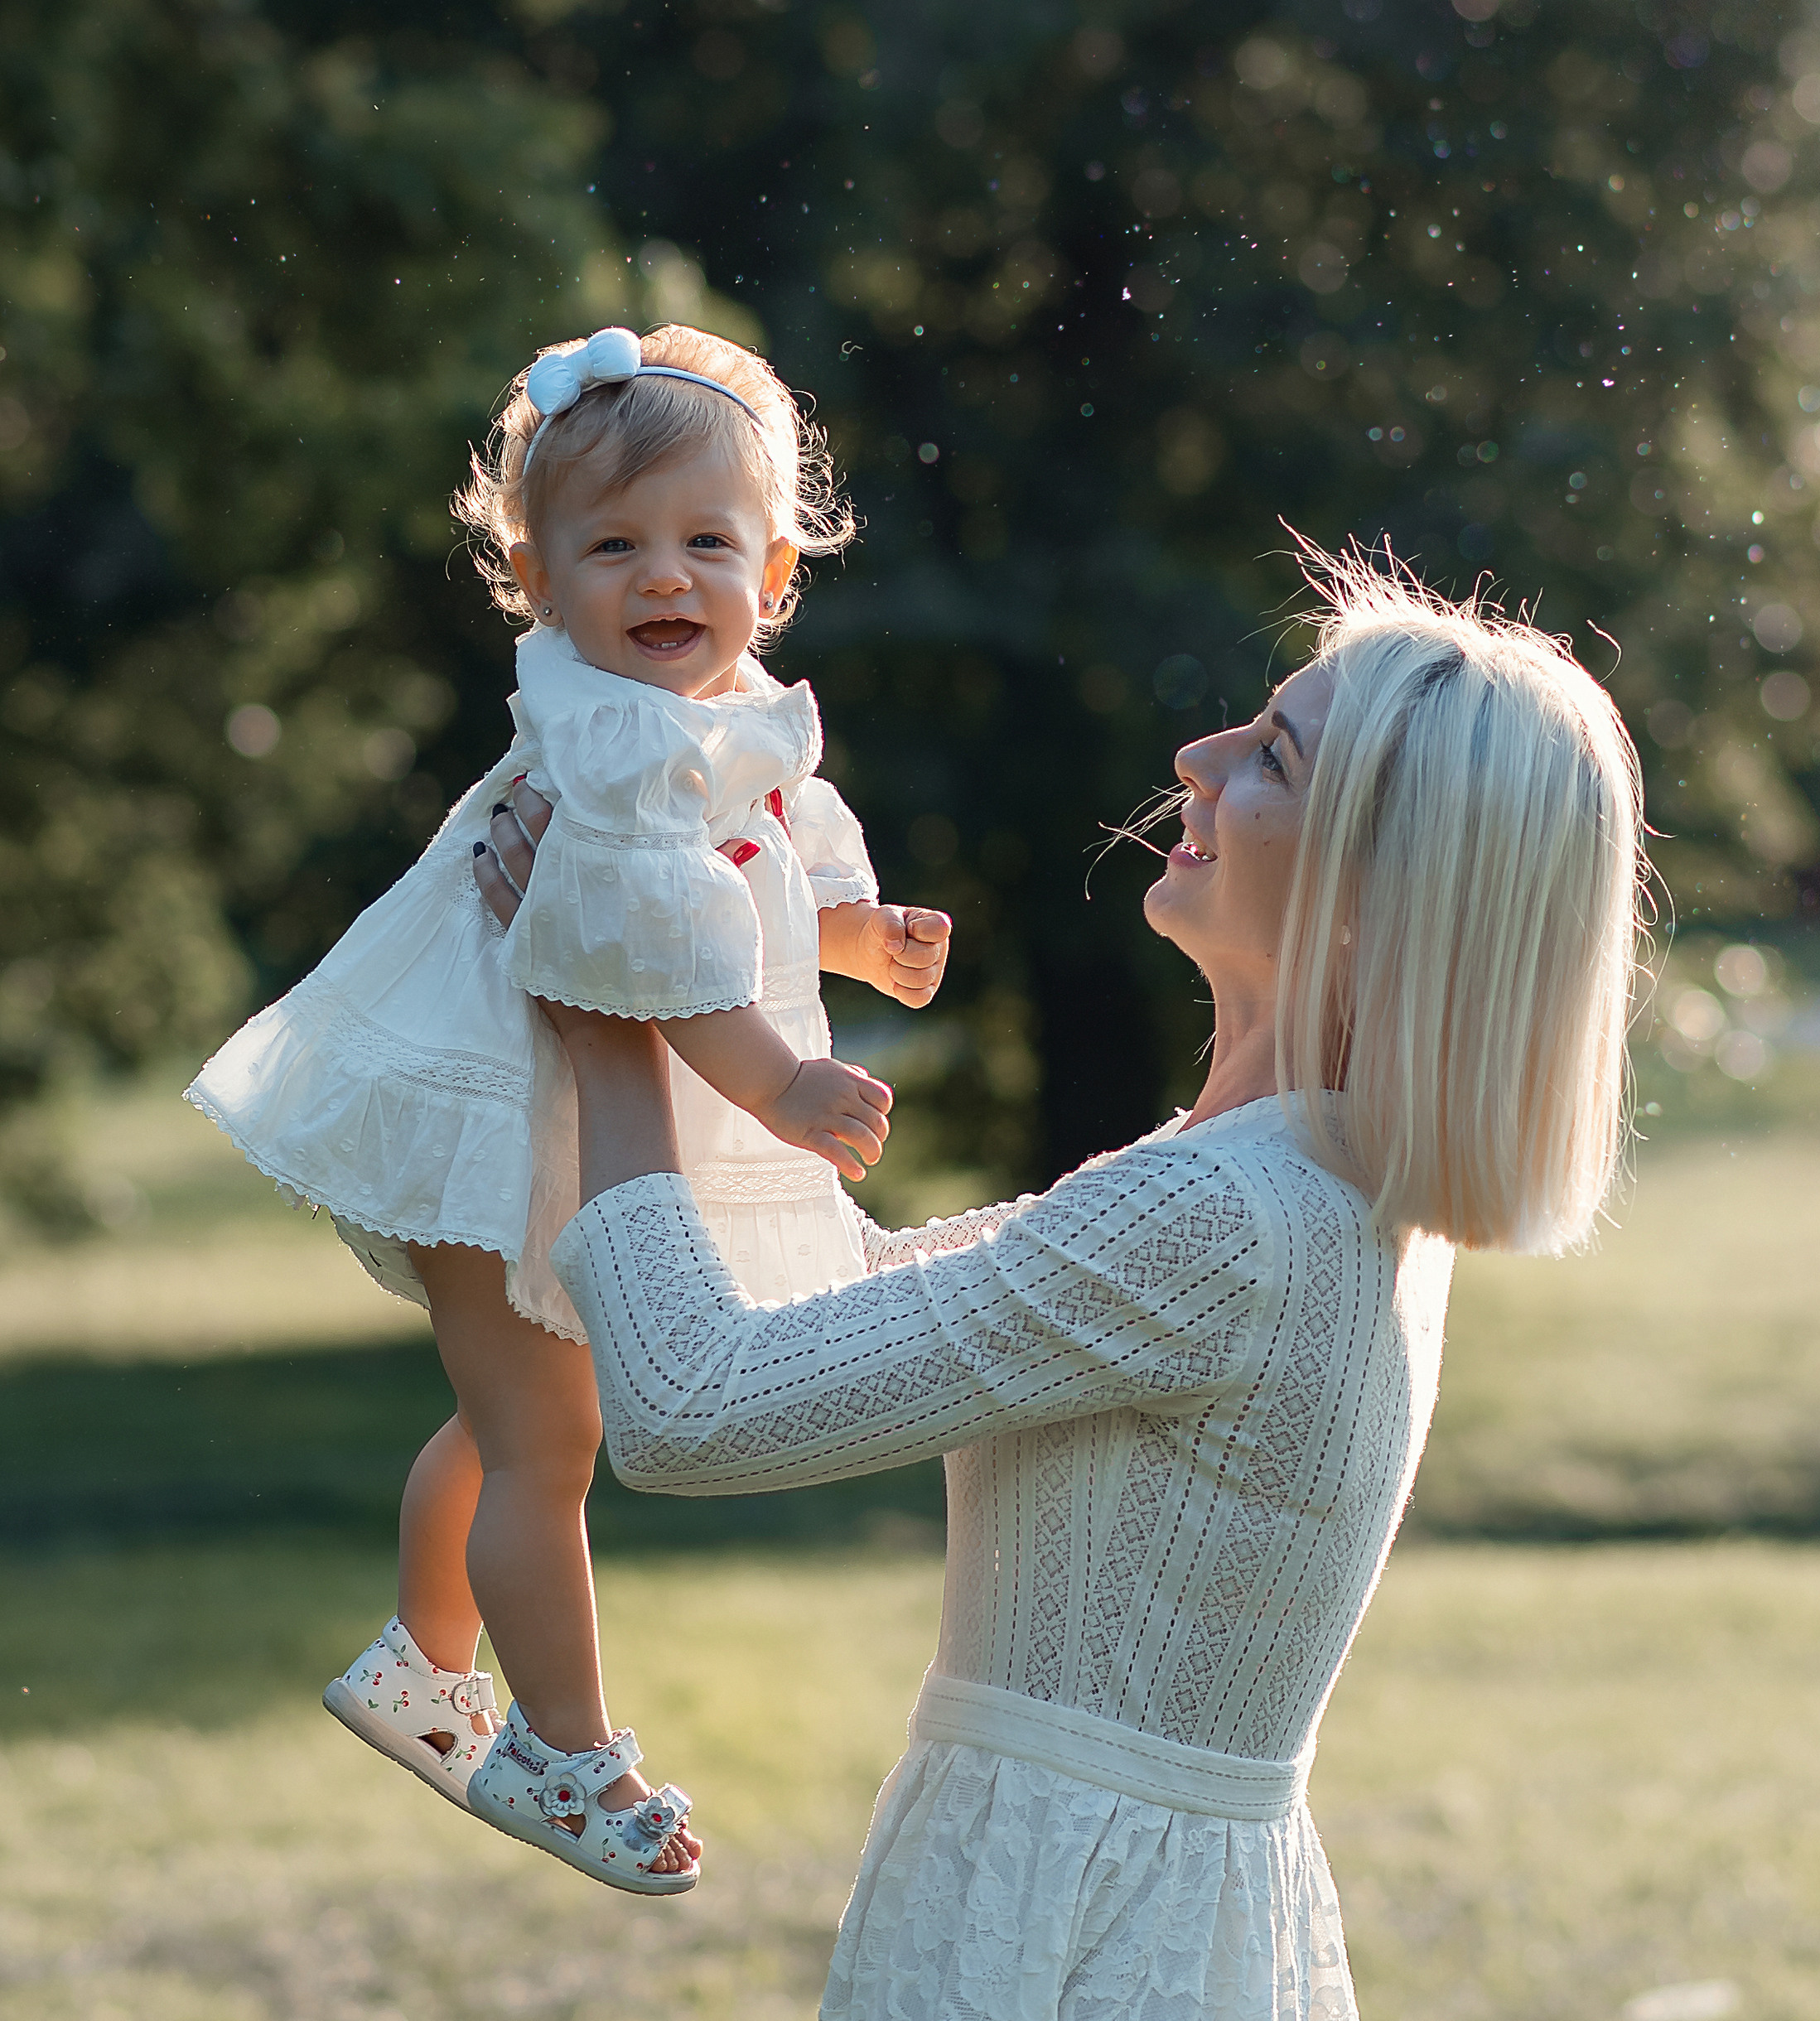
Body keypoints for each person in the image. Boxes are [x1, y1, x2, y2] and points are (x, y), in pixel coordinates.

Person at [474, 548, 1645, 2018]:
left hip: (1069, 1927)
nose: (1198, 757)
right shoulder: (1289, 1179)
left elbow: (700, 1409)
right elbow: (828, 1308)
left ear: (1372, 887)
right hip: (1126, 1910)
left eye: (1271, 754)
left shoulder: (1225, 1214)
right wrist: (703, 992)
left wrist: (617, 1015)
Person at [186, 322, 950, 1894]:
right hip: (488, 1103)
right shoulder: (606, 744)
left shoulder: (713, 719)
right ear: (536, 577)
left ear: (777, 572)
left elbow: (740, 885)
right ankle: (561, 1744)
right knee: (547, 1442)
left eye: (704, 543)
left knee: (514, 1415)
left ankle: (420, 1658)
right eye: (613, 547)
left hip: (527, 1105)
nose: (664, 578)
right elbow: (648, 952)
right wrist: (783, 1081)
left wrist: (851, 933)